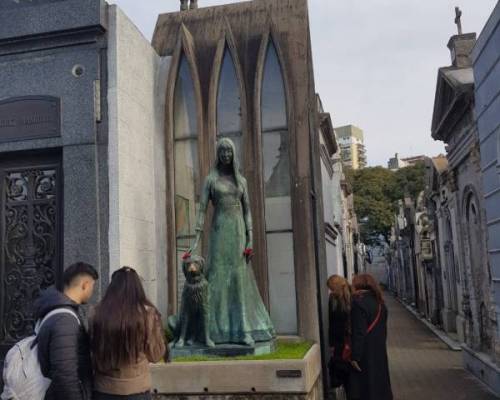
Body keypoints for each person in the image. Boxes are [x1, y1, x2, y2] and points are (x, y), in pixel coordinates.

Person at [187, 137, 275, 346]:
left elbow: (248, 212)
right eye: (222, 151)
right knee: (216, 276)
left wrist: (250, 239)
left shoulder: (241, 181)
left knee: (238, 278)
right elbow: (201, 210)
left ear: (233, 154)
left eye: (229, 151)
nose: (226, 154)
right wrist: (196, 238)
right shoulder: (210, 179)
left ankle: (243, 330)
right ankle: (212, 332)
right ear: (218, 154)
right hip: (218, 232)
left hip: (237, 232)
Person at [91, 267, 166, 400]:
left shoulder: (97, 312)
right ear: (138, 288)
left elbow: (91, 350)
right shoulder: (147, 314)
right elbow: (155, 355)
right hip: (137, 389)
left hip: (103, 389)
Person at [35, 261, 99, 400]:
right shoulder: (64, 319)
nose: (92, 291)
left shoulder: (56, 310)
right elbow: (64, 372)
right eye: (92, 286)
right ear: (85, 285)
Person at [350, 274, 393, 400]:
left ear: (358, 285)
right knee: (379, 384)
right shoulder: (380, 303)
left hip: (365, 352)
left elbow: (359, 332)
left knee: (365, 388)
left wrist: (355, 356)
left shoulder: (358, 303)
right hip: (379, 350)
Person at [327, 275, 352, 395]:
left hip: (344, 341)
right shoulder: (335, 298)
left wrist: (332, 343)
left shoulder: (338, 298)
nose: (330, 291)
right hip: (345, 340)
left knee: (345, 368)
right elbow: (332, 322)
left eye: (331, 288)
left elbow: (333, 323)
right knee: (345, 368)